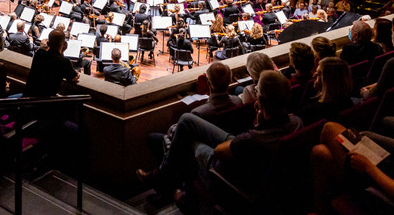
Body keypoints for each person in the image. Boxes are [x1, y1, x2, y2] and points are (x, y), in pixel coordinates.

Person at [136, 71, 302, 203]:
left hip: (228, 174)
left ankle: (163, 178)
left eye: (257, 91)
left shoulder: (253, 139)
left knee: (190, 140)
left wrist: (257, 124)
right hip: (247, 154)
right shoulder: (297, 122)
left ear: (260, 101)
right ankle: (165, 179)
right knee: (187, 121)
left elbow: (219, 152)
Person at [297, 57, 353, 125]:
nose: (313, 76)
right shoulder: (348, 102)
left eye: (318, 75)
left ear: (328, 82)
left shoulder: (311, 112)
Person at [23, 29, 79, 97]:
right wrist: (62, 51)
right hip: (45, 103)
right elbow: (73, 77)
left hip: (27, 97)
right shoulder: (64, 62)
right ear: (65, 45)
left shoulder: (38, 54)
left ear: (48, 43)